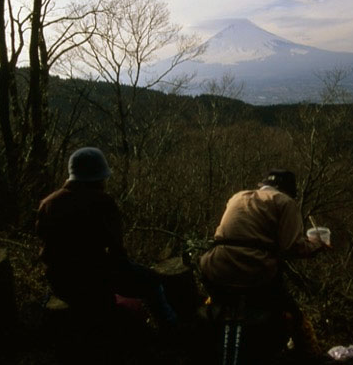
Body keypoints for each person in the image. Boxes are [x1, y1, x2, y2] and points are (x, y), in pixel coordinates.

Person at [35, 147, 177, 333]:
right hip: (95, 280)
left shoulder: (48, 203)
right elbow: (117, 251)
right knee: (152, 282)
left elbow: (44, 247)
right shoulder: (102, 203)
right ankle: (170, 327)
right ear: (97, 178)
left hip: (60, 283)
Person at [199, 169, 329, 359]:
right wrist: (318, 244)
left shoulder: (237, 196)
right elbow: (291, 247)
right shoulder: (285, 202)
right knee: (291, 312)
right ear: (288, 190)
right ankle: (310, 355)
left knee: (218, 302)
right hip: (256, 273)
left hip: (214, 267)